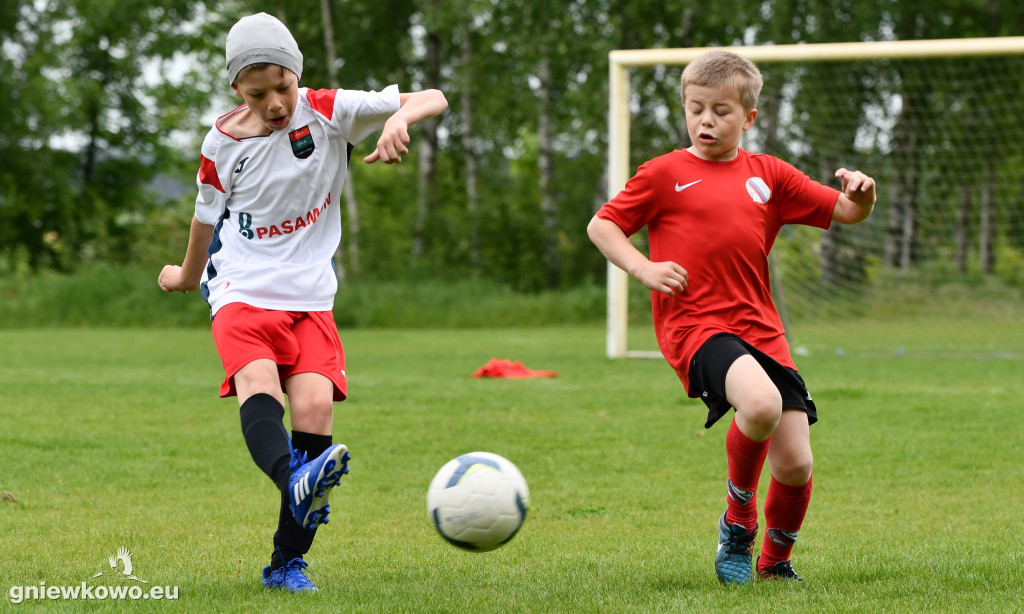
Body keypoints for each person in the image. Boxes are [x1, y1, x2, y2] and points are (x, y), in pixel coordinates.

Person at [157, 12, 447, 593]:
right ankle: (296, 483)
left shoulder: (330, 109)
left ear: (298, 74)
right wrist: (187, 276)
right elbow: (203, 218)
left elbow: (432, 97)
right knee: (258, 387)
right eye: (258, 92)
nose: (275, 103)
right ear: (236, 89)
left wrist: (397, 122)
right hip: (240, 290)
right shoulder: (221, 145)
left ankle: (286, 561)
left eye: (283, 87)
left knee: (314, 413)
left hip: (312, 298)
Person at [587, 49, 875, 584]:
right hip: (696, 327)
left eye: (720, 111)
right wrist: (642, 268)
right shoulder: (663, 173)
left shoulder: (771, 176)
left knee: (795, 465)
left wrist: (864, 195)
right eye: (695, 109)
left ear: (749, 118)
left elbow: (847, 211)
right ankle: (737, 521)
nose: (705, 121)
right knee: (760, 404)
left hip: (762, 331)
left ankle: (775, 565)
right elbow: (602, 226)